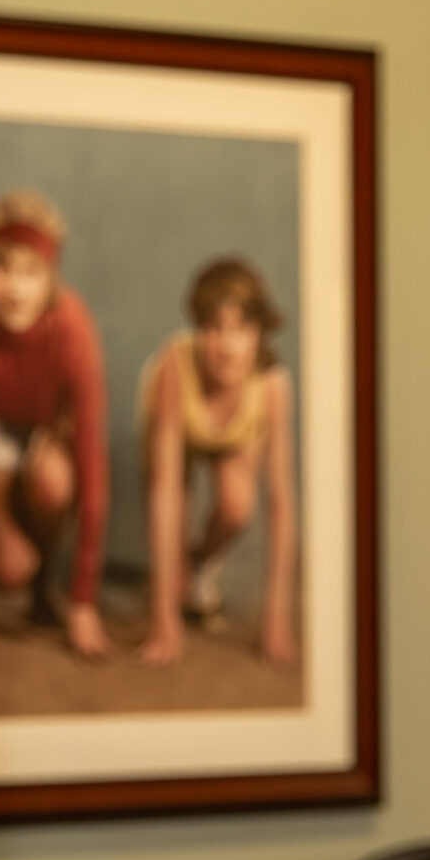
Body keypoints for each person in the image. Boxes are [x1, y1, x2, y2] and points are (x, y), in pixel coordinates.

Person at [0, 189, 110, 661]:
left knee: (55, 482)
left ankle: (47, 583)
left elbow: (93, 461)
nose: (15, 288)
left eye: (31, 272)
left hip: (46, 428)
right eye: (0, 268)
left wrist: (84, 599)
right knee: (8, 570)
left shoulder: (73, 328)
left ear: (50, 275)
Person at [137, 257, 298, 667]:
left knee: (237, 504)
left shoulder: (273, 386)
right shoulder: (174, 368)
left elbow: (280, 502)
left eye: (241, 329)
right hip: (179, 426)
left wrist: (276, 623)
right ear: (197, 331)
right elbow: (165, 493)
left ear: (260, 332)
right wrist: (163, 619)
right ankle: (177, 577)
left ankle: (202, 563)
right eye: (213, 329)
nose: (226, 346)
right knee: (174, 551)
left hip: (234, 432)